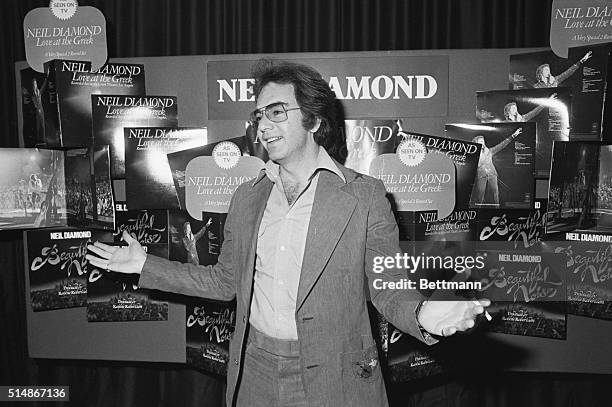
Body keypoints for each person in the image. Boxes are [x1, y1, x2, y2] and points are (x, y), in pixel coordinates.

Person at [87, 59, 489, 407]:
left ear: (313, 119)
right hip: (255, 370)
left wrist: (421, 313)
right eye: (259, 115)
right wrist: (143, 264)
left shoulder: (364, 195)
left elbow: (385, 285)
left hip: (335, 377)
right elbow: (224, 281)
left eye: (276, 111)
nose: (263, 125)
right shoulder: (247, 196)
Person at [470, 128, 522, 206]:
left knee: (495, 193)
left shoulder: (490, 151)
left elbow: (502, 145)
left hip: (492, 174)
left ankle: (497, 208)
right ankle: (478, 209)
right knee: (480, 195)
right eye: (480, 142)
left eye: (483, 141)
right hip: (481, 176)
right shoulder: (474, 154)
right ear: (476, 144)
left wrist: (514, 135)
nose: (483, 143)